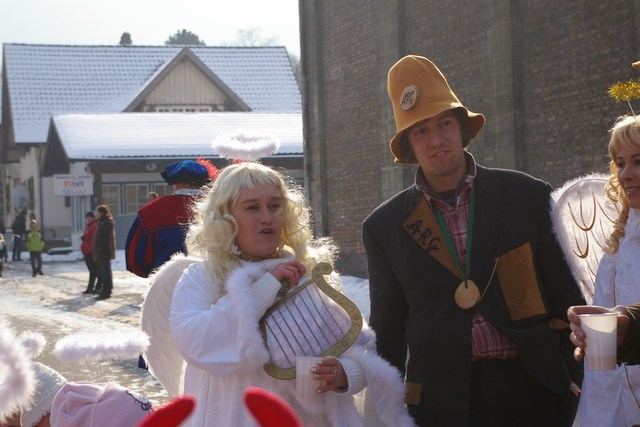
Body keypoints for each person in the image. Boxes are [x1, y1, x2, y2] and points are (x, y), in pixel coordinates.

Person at [361, 55, 586, 427]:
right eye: (420, 131)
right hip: (440, 407)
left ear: (462, 128)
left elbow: (567, 298)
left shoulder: (526, 196)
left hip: (535, 397)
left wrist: (571, 379)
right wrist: (390, 411)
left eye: (444, 124)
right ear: (409, 145)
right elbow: (389, 333)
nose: (435, 140)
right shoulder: (384, 227)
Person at [145, 162, 414, 426]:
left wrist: (346, 374)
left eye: (275, 205)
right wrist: (266, 288)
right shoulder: (202, 276)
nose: (267, 217)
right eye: (252, 207)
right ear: (225, 218)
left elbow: (358, 345)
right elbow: (197, 341)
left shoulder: (306, 272)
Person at [565, 114, 640, 426]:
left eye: (638, 161)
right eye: (620, 163)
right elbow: (605, 360)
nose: (626, 175)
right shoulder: (619, 238)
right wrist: (591, 336)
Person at [125, 159, 218, 278]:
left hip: (167, 281)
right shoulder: (219, 207)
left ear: (176, 184)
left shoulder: (151, 211)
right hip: (212, 281)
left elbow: (136, 260)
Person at [93, 205, 115, 300]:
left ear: (102, 213)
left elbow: (106, 238)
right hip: (102, 250)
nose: (96, 214)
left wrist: (99, 247)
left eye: (97, 213)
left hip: (104, 250)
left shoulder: (106, 223)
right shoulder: (102, 222)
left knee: (105, 271)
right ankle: (106, 289)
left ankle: (106, 291)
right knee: (104, 271)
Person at [80, 211, 101, 294]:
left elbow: (94, 239)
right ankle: (91, 287)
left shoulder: (94, 226)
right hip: (87, 251)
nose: (88, 219)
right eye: (87, 217)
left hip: (91, 251)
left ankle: (97, 287)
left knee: (94, 270)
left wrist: (92, 250)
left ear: (93, 218)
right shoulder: (88, 226)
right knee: (92, 271)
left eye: (90, 217)